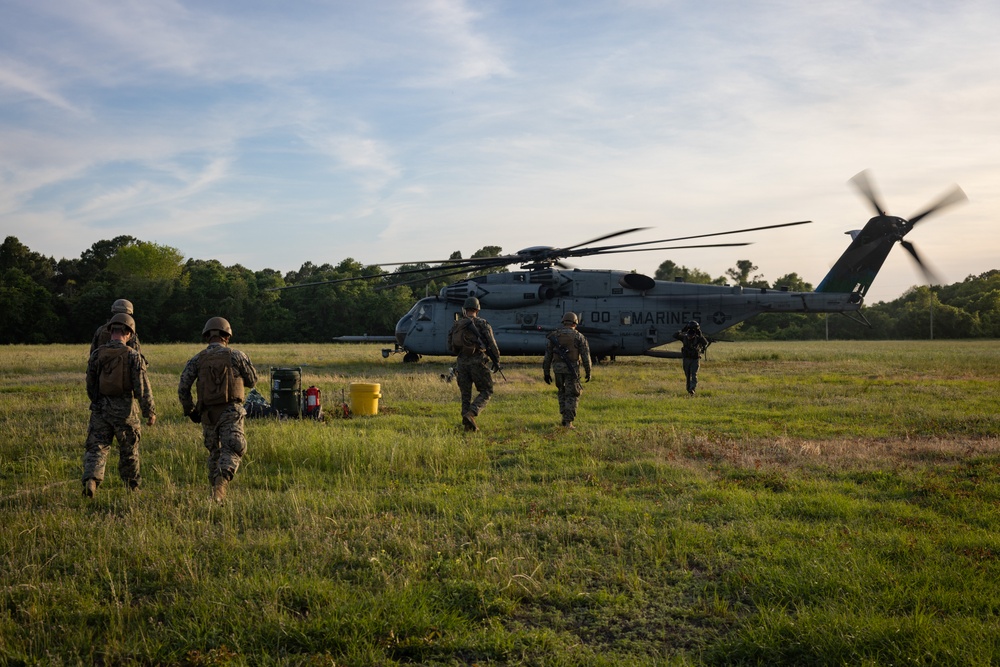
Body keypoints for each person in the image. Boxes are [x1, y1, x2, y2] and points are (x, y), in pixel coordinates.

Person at [178, 317, 258, 502]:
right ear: (227, 337)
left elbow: (183, 387)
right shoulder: (237, 356)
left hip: (208, 414)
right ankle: (220, 486)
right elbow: (252, 380)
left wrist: (190, 411)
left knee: (214, 453)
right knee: (233, 448)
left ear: (207, 336)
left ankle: (215, 495)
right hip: (231, 410)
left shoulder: (197, 360)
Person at [83, 313, 156, 497]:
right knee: (129, 450)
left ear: (110, 331)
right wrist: (149, 412)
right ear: (129, 334)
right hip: (125, 411)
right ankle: (132, 487)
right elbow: (142, 388)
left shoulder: (97, 354)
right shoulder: (133, 356)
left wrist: (97, 402)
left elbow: (90, 385)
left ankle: (91, 480)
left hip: (100, 409)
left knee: (97, 447)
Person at [447, 297, 501, 432]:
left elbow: (450, 346)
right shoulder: (482, 324)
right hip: (478, 362)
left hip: (461, 364)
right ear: (477, 309)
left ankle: (467, 426)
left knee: (465, 395)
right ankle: (471, 414)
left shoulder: (456, 325)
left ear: (465, 310)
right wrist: (497, 360)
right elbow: (492, 344)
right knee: (487, 390)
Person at [543, 312, 592, 428]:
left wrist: (546, 372)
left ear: (564, 321)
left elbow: (547, 356)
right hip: (572, 370)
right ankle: (568, 422)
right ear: (575, 323)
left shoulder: (555, 335)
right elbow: (586, 356)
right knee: (572, 394)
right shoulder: (579, 336)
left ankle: (564, 418)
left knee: (562, 392)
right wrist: (588, 371)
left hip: (558, 369)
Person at [674, 320, 709, 395]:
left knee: (694, 374)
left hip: (695, 359)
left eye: (691, 336)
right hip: (686, 359)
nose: (690, 337)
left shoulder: (698, 338)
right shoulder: (684, 338)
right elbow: (675, 335)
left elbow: (705, 343)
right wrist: (683, 330)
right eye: (689, 335)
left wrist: (700, 334)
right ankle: (689, 389)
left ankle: (692, 388)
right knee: (687, 375)